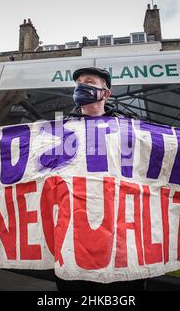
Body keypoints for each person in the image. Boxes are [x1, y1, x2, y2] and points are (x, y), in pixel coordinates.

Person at [55, 67, 147, 291]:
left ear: (106, 93)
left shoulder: (130, 127)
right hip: (75, 234)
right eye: (77, 83)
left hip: (121, 234)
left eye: (87, 81)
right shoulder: (62, 129)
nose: (79, 87)